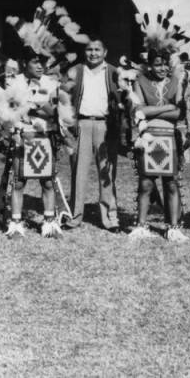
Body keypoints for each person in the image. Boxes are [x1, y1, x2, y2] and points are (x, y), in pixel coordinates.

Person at [128, 51, 189, 242]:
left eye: (165, 64)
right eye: (157, 64)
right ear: (149, 65)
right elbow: (138, 111)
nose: (162, 68)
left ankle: (172, 227)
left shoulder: (176, 81)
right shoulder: (140, 81)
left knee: (171, 183)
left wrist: (153, 111)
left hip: (170, 137)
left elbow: (179, 113)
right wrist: (167, 108)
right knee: (146, 183)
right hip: (148, 137)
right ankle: (141, 225)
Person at [3, 49, 63, 238]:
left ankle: (49, 223)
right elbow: (9, 111)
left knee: (47, 181)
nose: (40, 66)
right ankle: (15, 223)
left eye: (42, 62)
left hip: (45, 134)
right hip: (22, 135)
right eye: (35, 62)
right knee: (19, 182)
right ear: (24, 63)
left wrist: (32, 105)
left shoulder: (50, 83)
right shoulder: (14, 82)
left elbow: (54, 111)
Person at [64, 37, 122, 232]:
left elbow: (124, 100)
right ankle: (75, 216)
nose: (93, 53)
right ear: (85, 52)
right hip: (81, 124)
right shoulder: (76, 71)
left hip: (105, 126)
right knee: (78, 172)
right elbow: (64, 97)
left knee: (107, 173)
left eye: (98, 49)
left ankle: (110, 217)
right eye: (89, 49)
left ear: (105, 52)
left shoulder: (115, 73)